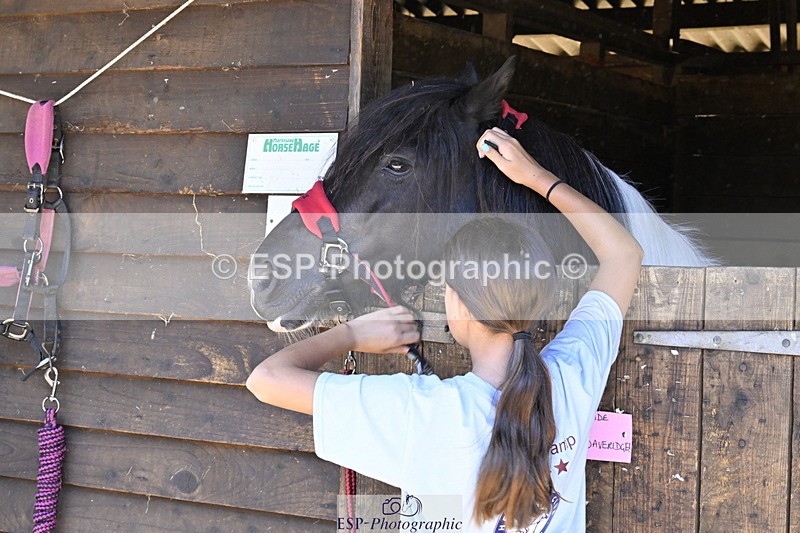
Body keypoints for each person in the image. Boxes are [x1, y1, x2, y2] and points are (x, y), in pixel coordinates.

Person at [246, 127, 643, 532]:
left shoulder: (424, 413)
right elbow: (624, 253)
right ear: (538, 302)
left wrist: (352, 335)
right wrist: (539, 178)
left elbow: (265, 380)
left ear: (458, 304)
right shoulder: (573, 377)